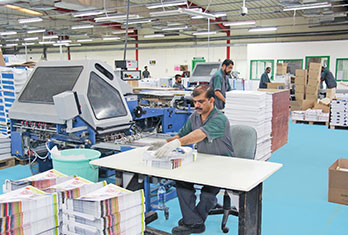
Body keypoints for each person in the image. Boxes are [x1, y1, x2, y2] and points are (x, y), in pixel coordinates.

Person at [150, 84, 234, 235]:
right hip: (202, 161)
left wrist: (178, 143)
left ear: (211, 100)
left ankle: (193, 221)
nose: (197, 105)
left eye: (201, 101)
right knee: (181, 181)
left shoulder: (220, 119)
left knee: (208, 192)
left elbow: (199, 134)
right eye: (195, 102)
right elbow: (182, 135)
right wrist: (166, 143)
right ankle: (194, 220)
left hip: (222, 164)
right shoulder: (194, 116)